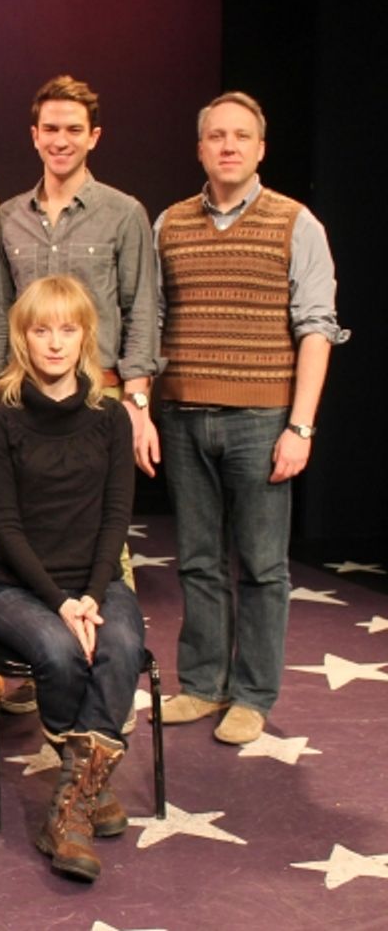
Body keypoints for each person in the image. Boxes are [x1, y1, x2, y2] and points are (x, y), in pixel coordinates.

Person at [154, 92, 347, 744]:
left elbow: (317, 328)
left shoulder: (297, 223)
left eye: (241, 136)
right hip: (183, 417)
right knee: (198, 562)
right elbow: (152, 322)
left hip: (263, 421)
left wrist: (301, 426)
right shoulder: (169, 225)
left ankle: (253, 694)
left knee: (263, 566)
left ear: (260, 148)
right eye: (216, 135)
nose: (229, 145)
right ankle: (203, 685)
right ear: (200, 147)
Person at [0, 74, 160, 715]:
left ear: (93, 137)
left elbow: (141, 311)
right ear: (34, 135)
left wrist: (136, 401)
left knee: (101, 529)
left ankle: (96, 624)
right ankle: (47, 660)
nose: (61, 139)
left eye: (73, 129)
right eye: (50, 128)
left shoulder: (123, 213)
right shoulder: (8, 219)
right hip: (24, 400)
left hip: (98, 401)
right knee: (23, 514)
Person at [0, 274, 143, 883]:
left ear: (84, 337)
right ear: (23, 338)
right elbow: (7, 530)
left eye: (67, 329)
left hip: (98, 582)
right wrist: (63, 604)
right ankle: (91, 790)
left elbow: (116, 519)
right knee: (58, 649)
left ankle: (69, 805)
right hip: (21, 589)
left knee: (123, 645)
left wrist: (93, 596)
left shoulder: (109, 418)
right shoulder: (2, 423)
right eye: (41, 330)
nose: (54, 343)